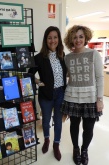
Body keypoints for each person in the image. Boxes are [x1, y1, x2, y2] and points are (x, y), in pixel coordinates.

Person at [62, 25, 104, 165]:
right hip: (72, 96)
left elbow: (99, 77)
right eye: (75, 37)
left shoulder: (93, 54)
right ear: (71, 40)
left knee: (89, 127)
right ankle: (75, 149)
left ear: (85, 37)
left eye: (81, 36)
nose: (78, 39)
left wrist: (100, 99)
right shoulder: (67, 58)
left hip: (91, 97)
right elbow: (64, 78)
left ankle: (84, 150)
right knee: (74, 125)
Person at [28, 26, 67, 161]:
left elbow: (63, 74)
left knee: (58, 120)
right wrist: (39, 82)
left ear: (59, 39)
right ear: (45, 40)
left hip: (60, 93)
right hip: (45, 95)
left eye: (55, 37)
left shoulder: (62, 55)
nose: (52, 40)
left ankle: (56, 144)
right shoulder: (38, 58)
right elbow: (29, 74)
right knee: (46, 120)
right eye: (49, 38)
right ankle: (46, 140)